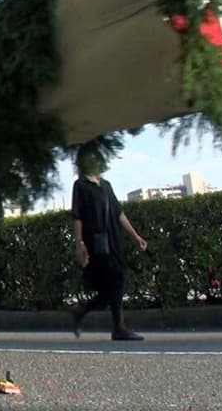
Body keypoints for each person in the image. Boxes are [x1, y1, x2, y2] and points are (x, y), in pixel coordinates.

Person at [69, 145, 149, 341]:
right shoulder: (80, 186)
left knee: (112, 285)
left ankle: (83, 310)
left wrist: (135, 236)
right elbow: (77, 216)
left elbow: (119, 213)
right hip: (96, 241)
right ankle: (118, 327)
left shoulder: (106, 185)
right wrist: (79, 243)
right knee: (115, 281)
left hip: (113, 239)